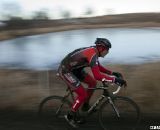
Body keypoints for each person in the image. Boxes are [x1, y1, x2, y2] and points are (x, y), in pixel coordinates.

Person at [58, 38, 127, 127]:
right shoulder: (92, 54)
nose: (108, 52)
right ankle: (70, 116)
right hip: (65, 71)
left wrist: (112, 73)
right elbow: (98, 76)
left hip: (75, 70)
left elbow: (98, 67)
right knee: (82, 94)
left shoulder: (94, 52)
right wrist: (115, 80)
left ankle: (85, 106)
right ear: (101, 48)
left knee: (92, 83)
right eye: (107, 50)